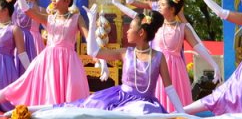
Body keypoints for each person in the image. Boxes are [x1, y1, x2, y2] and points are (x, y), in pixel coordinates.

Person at [21, 8, 185, 116]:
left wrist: (181, 113)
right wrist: (92, 23)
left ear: (141, 32)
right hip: (118, 97)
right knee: (81, 107)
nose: (127, 30)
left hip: (144, 104)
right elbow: (94, 52)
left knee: (142, 113)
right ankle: (31, 110)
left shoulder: (158, 57)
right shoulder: (125, 53)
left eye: (131, 27)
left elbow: (169, 88)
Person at [113, 0, 220, 112]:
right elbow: (135, 15)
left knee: (176, 102)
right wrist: (116, 3)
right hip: (156, 68)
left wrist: (214, 65)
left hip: (177, 71)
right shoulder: (155, 25)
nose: (159, 6)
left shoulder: (182, 28)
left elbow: (197, 47)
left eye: (162, 4)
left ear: (172, 9)